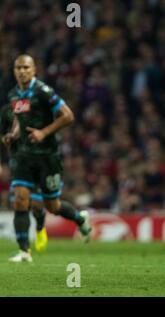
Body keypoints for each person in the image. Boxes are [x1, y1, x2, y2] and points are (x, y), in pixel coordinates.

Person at [2, 55, 92, 262]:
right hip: (24, 156)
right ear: (14, 70)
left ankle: (79, 218)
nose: (22, 71)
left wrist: (43, 132)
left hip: (47, 157)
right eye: (18, 67)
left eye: (26, 67)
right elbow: (19, 118)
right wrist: (14, 133)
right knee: (20, 199)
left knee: (53, 206)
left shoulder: (44, 92)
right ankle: (25, 251)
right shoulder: (14, 94)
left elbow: (68, 115)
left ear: (34, 70)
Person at [1, 104, 48, 252]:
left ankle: (40, 227)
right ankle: (24, 248)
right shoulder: (6, 112)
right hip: (19, 162)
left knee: (37, 205)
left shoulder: (40, 107)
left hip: (39, 161)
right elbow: (3, 135)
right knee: (21, 201)